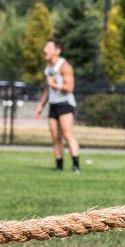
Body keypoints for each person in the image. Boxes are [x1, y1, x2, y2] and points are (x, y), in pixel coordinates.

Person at [34, 39, 81, 172]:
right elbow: (47, 89)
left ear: (57, 51)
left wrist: (53, 84)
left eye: (48, 47)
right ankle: (59, 166)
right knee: (55, 136)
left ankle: (76, 166)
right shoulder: (48, 68)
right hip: (53, 105)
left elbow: (70, 87)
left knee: (67, 134)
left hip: (65, 104)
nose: (45, 49)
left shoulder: (65, 66)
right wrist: (41, 105)